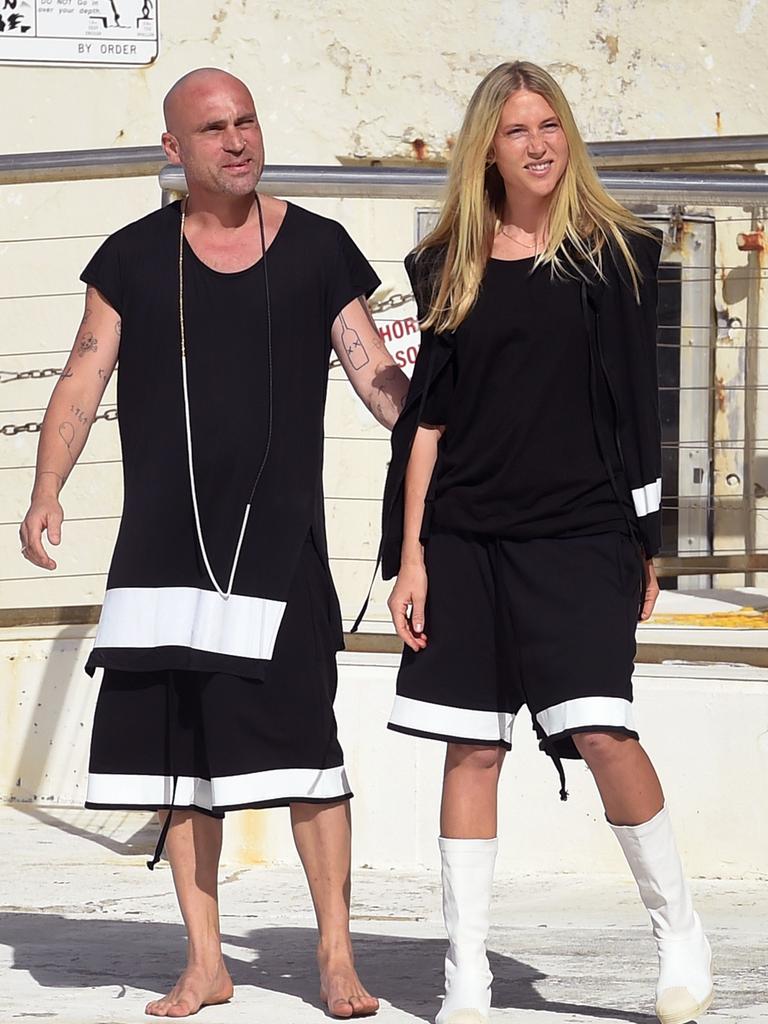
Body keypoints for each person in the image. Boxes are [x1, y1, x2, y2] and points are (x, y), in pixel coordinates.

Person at [19, 67, 409, 1019]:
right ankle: (204, 961)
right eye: (212, 129)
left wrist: (453, 444)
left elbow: (377, 375)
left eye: (246, 120)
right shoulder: (133, 258)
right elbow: (82, 377)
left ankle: (334, 957)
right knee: (181, 764)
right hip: (163, 553)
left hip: (281, 554)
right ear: (174, 150)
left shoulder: (319, 248)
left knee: (310, 757)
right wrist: (44, 490)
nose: (236, 140)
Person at [381, 61, 713, 1024]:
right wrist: (412, 555)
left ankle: (679, 932)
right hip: (465, 541)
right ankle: (467, 980)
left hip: (579, 537)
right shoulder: (445, 264)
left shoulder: (613, 254)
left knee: (603, 731)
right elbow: (428, 426)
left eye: (551, 125)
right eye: (518, 129)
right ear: (487, 145)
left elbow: (636, 416)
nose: (538, 143)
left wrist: (642, 542)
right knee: (471, 753)